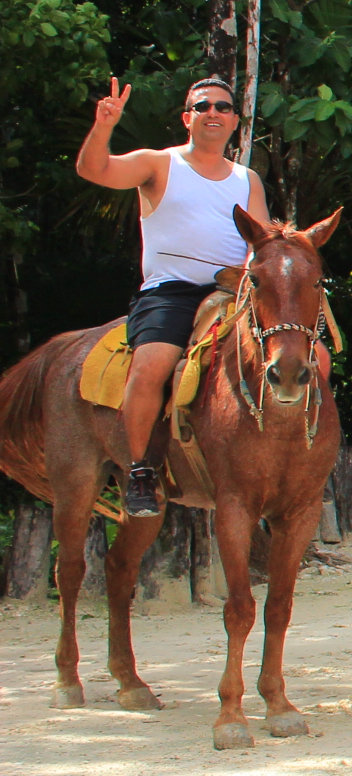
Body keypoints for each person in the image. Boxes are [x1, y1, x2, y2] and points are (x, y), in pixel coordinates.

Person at [74, 75, 272, 517]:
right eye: (203, 106)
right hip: (172, 291)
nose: (214, 113)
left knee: (301, 353)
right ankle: (141, 471)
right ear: (188, 118)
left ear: (235, 120)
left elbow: (262, 243)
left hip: (232, 294)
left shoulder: (248, 180)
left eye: (223, 107)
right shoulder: (158, 164)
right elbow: (93, 170)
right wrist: (104, 125)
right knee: (151, 367)